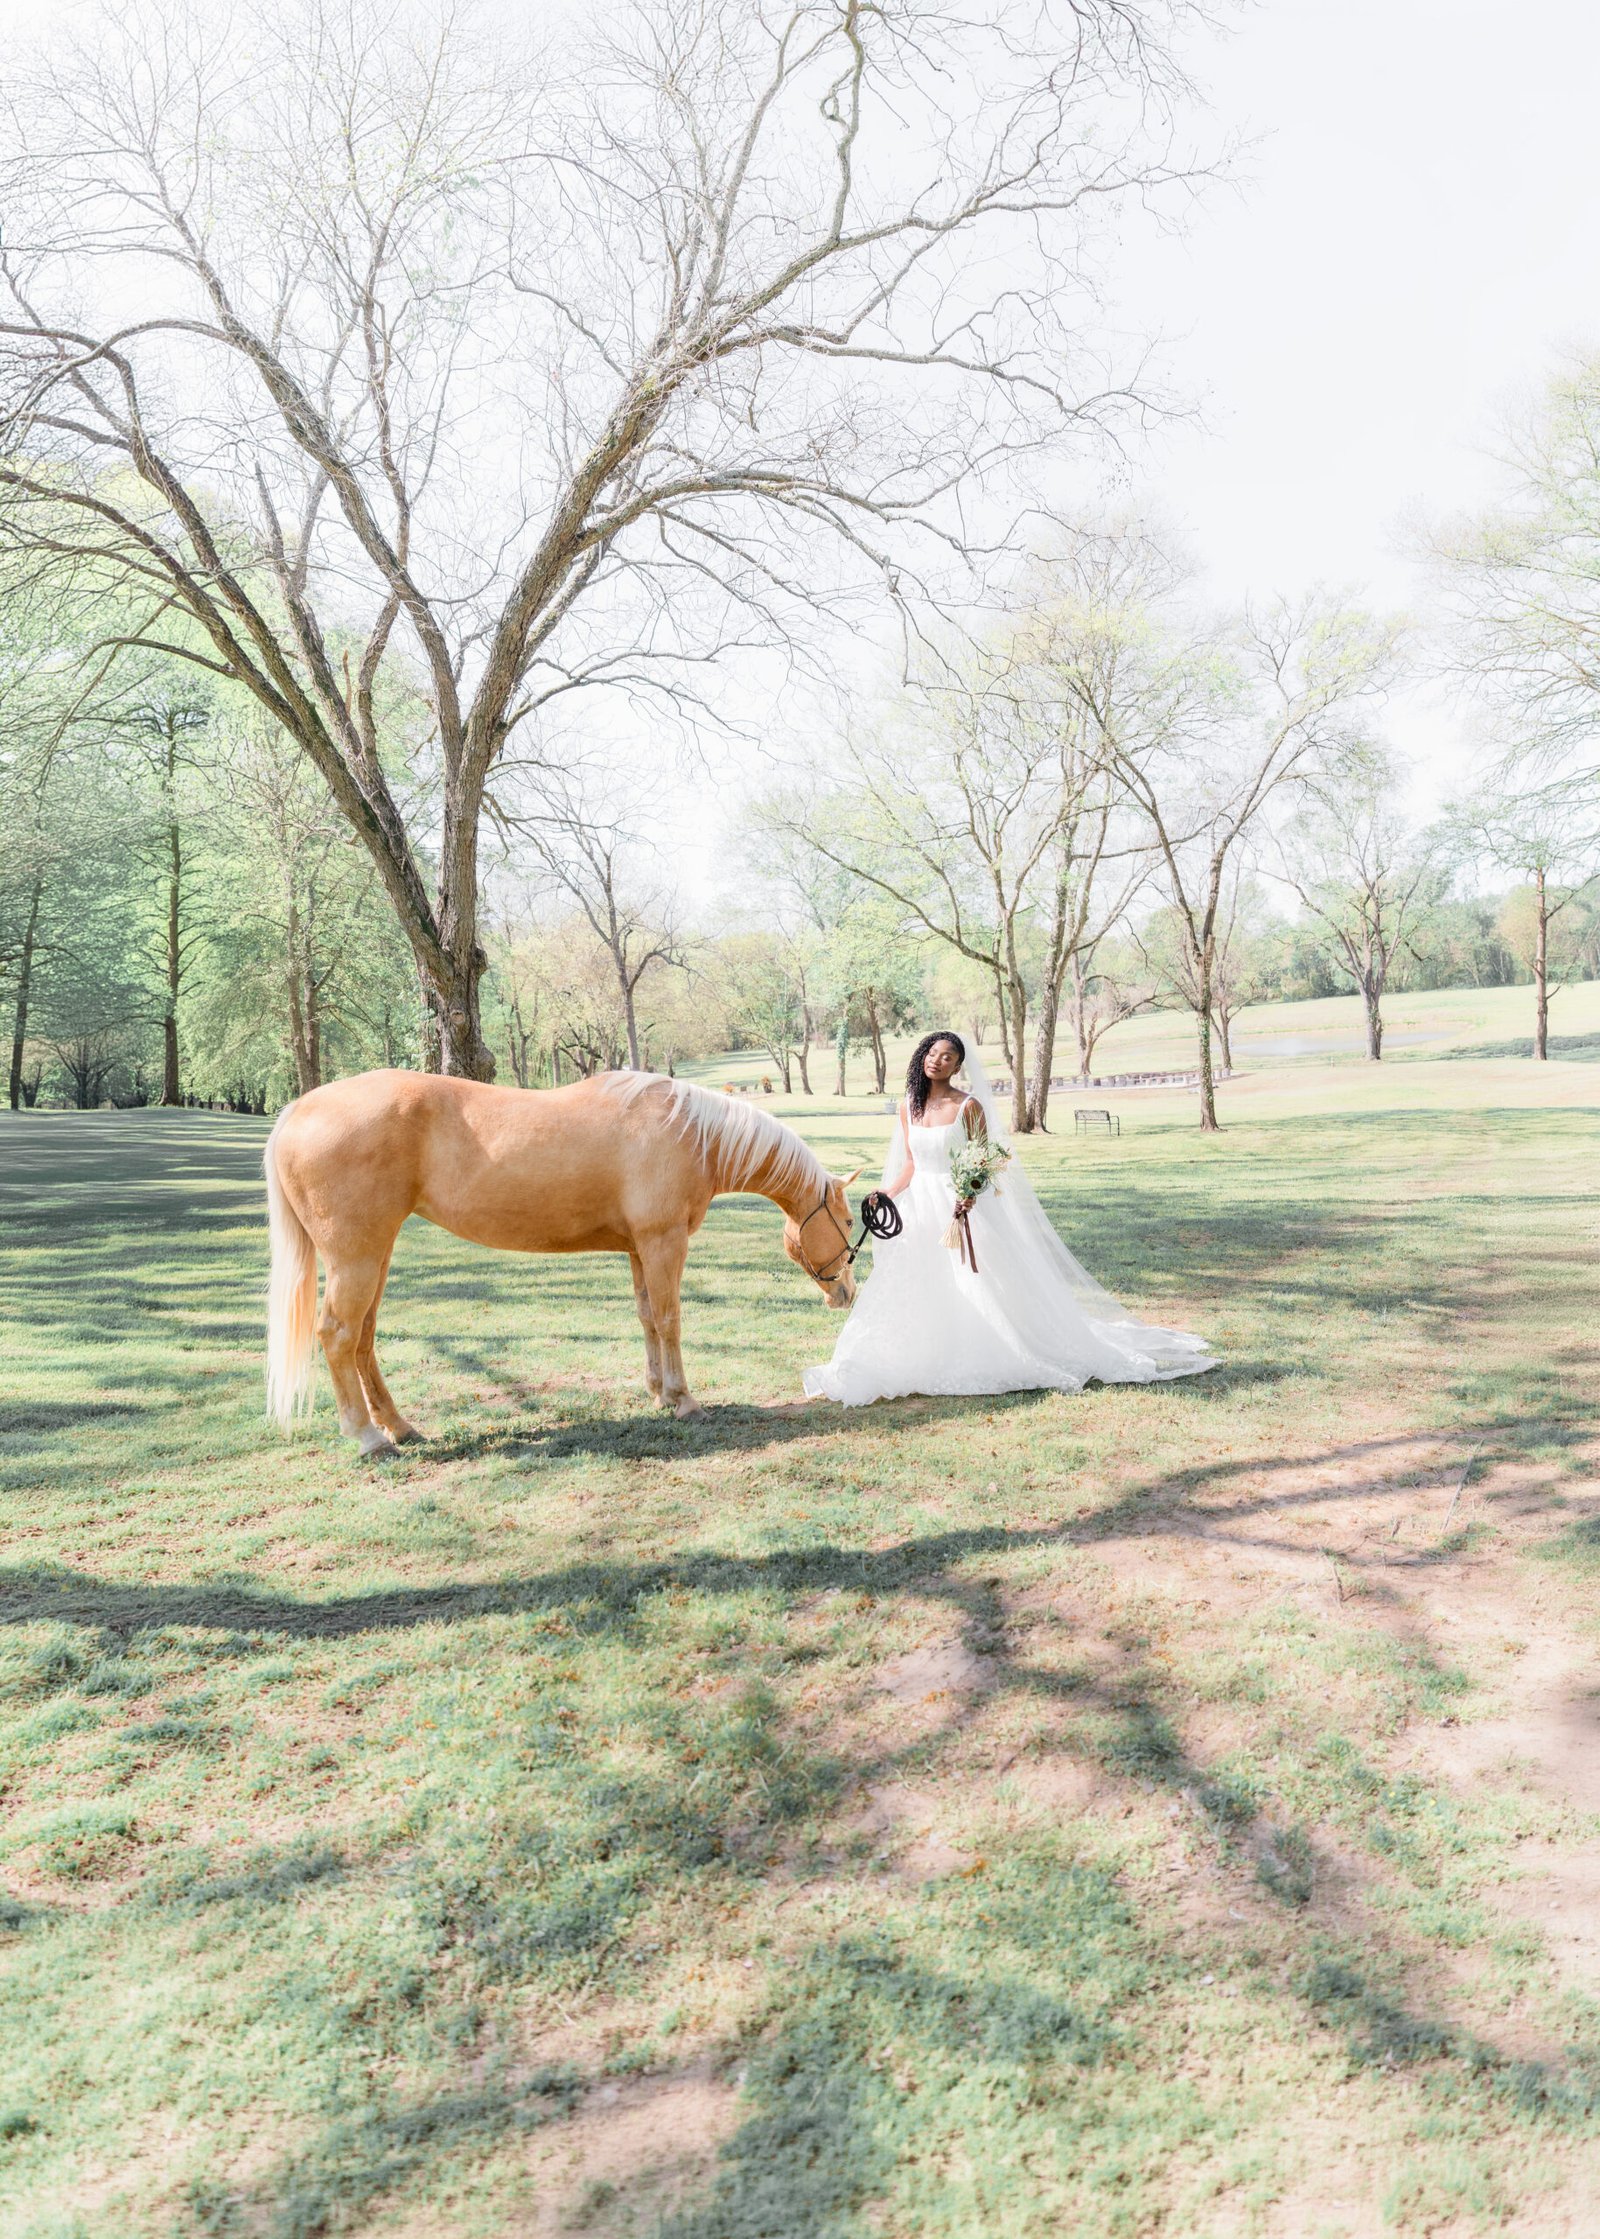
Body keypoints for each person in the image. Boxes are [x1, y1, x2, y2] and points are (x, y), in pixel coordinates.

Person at [803, 1029, 1216, 1406]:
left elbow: (984, 1162)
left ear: (958, 1066)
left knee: (976, 1279)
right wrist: (886, 1191)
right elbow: (912, 1163)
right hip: (920, 1207)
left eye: (948, 1056)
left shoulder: (969, 1107)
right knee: (919, 1280)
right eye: (933, 1052)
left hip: (959, 1205)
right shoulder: (907, 1107)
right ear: (922, 1057)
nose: (937, 1060)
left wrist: (968, 1194)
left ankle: (994, 1348)